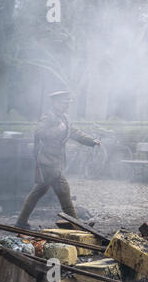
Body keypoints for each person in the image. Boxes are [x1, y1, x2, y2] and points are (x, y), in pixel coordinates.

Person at [15, 91, 101, 230]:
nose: (66, 105)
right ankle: (76, 225)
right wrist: (56, 129)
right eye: (64, 103)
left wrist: (91, 141)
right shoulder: (48, 116)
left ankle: (21, 222)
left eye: (67, 103)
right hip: (48, 162)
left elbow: (74, 132)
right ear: (55, 102)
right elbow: (39, 133)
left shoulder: (64, 118)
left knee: (37, 192)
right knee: (64, 192)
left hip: (56, 162)